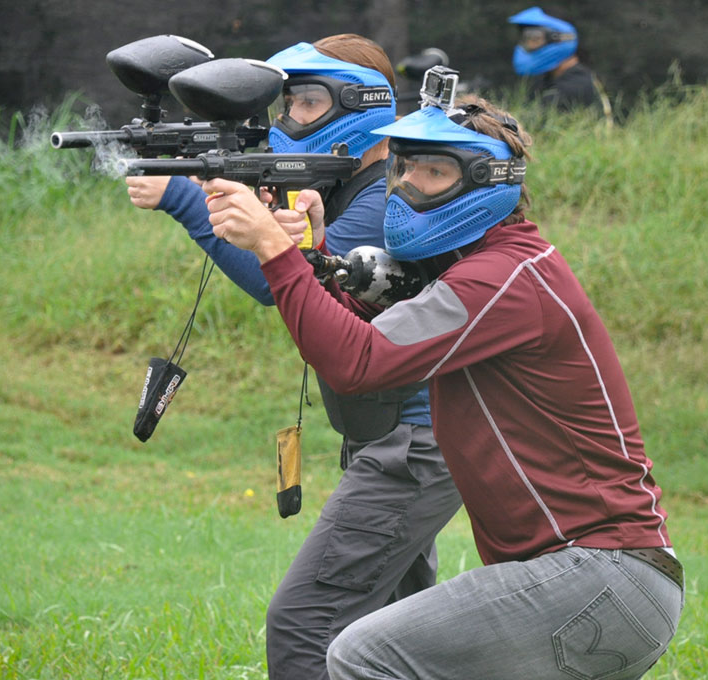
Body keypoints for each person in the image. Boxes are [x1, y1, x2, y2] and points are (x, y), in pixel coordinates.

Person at [203, 89, 683, 679]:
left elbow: (359, 362)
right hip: (594, 583)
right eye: (403, 167)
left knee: (361, 653)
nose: (407, 186)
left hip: (596, 576)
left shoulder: (501, 277)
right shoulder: (487, 269)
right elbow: (367, 333)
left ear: (487, 181)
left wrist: (276, 250)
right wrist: (309, 253)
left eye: (435, 171)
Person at [124, 35, 463, 680]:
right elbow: (311, 273)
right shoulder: (354, 188)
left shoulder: (388, 201)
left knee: (306, 624)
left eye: (307, 103)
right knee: (394, 630)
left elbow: (274, 286)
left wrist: (184, 198)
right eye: (287, 102)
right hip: (392, 432)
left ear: (360, 106)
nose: (289, 120)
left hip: (413, 440)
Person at [508, 6, 611, 119]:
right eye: (525, 38)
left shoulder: (576, 85)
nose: (529, 45)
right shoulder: (550, 79)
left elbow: (524, 123)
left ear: (559, 38)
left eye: (535, 38)